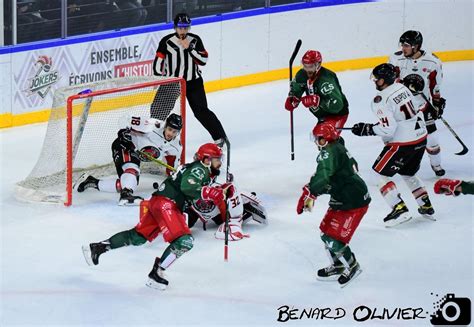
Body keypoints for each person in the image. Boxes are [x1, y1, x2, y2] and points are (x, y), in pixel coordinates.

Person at [82, 143, 228, 290]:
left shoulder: (199, 169)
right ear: (207, 159)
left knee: (137, 237)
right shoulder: (199, 169)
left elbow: (194, 191)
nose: (220, 162)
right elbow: (187, 187)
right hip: (167, 204)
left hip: (157, 202)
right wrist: (208, 192)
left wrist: (213, 192)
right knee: (185, 241)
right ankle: (156, 274)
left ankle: (98, 247)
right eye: (217, 159)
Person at [351, 63, 435, 227]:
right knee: (408, 173)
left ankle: (399, 209)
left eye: (377, 79)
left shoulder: (380, 100)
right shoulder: (402, 87)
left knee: (379, 174)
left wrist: (367, 129)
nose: (375, 81)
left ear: (384, 80)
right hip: (420, 136)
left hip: (403, 143)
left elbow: (388, 129)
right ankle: (425, 205)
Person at [296, 123, 370, 287]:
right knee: (325, 233)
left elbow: (324, 176)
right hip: (343, 197)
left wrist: (311, 191)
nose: (317, 143)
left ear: (326, 139)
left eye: (319, 139)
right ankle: (338, 264)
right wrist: (311, 192)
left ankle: (352, 266)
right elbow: (332, 179)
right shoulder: (335, 147)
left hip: (353, 200)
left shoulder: (329, 152)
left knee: (333, 238)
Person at [151, 13, 227, 146]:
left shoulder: (195, 40)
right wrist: (159, 79)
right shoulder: (167, 41)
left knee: (202, 112)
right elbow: (158, 62)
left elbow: (203, 60)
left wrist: (190, 48)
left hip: (193, 82)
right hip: (172, 82)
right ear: (175, 27)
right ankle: (152, 138)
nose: (183, 31)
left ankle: (220, 138)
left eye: (186, 28)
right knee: (158, 111)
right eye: (180, 27)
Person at [77, 113, 183, 206]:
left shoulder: (176, 147)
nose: (171, 134)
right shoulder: (151, 125)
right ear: (165, 126)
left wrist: (175, 180)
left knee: (128, 183)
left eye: (175, 132)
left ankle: (92, 182)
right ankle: (126, 195)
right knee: (132, 171)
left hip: (135, 154)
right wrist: (124, 132)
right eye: (169, 129)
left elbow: (172, 168)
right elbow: (125, 119)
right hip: (124, 146)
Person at [389, 30, 446, 176]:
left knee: (432, 138)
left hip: (423, 106)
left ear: (416, 46)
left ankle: (436, 164)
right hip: (402, 106)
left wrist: (437, 104)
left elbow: (435, 86)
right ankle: (398, 164)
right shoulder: (396, 59)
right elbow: (389, 81)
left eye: (406, 45)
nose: (403, 48)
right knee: (398, 136)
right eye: (402, 45)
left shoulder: (433, 62)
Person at [284, 50, 349, 135]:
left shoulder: (326, 79)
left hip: (337, 115)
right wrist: (293, 98)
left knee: (322, 137)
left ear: (318, 65)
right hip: (323, 116)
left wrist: (319, 102)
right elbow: (296, 89)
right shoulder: (302, 74)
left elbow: (337, 105)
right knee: (322, 140)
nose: (307, 69)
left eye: (310, 66)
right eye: (305, 66)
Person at [187, 179, 267, 241]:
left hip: (218, 207)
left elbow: (226, 216)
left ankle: (243, 203)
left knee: (222, 219)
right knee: (188, 221)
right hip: (195, 209)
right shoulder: (192, 196)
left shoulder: (218, 195)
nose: (204, 207)